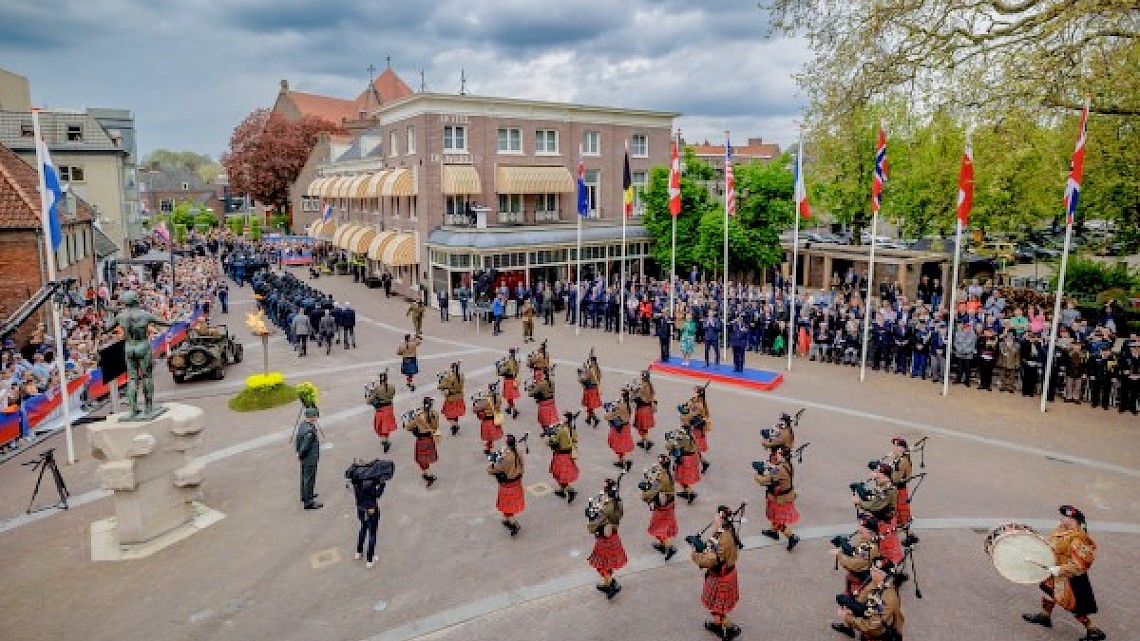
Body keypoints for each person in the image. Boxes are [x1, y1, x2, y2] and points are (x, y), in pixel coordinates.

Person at [1022, 505, 1105, 641]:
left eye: (1064, 517)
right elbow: (1052, 543)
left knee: (1075, 607)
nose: (1061, 519)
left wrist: (1059, 569)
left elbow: (1080, 564)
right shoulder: (1062, 528)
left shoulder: (1079, 538)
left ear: (1072, 519)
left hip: (1070, 578)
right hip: (1055, 573)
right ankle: (1044, 616)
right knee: (1048, 592)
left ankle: (1093, 630)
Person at [691, 505, 742, 641]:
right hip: (728, 573)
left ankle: (727, 628)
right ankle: (719, 624)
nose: (714, 520)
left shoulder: (721, 539)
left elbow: (707, 561)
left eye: (716, 519)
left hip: (720, 577)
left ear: (721, 519)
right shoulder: (729, 530)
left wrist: (695, 551)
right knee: (718, 606)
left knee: (717, 607)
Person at [832, 557, 904, 640]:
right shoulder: (876, 582)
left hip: (877, 632)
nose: (870, 571)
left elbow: (871, 626)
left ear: (882, 574)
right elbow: (863, 595)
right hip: (869, 614)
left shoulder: (887, 599)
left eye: (873, 570)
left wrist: (847, 617)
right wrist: (852, 607)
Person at [586, 477, 627, 599]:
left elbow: (599, 519)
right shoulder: (617, 502)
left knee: (602, 566)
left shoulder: (609, 506)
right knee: (606, 564)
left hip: (606, 539)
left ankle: (611, 586)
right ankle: (608, 582)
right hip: (613, 537)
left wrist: (593, 514)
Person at [754, 445, 800, 551]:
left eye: (779, 454)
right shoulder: (788, 465)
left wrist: (757, 474)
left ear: (783, 457)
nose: (777, 455)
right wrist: (770, 466)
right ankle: (773, 532)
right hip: (787, 495)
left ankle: (791, 536)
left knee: (778, 520)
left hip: (780, 499)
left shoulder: (779, 469)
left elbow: (764, 480)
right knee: (776, 516)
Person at [641, 453, 678, 560]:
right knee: (659, 528)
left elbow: (654, 489)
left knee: (661, 529)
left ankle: (668, 548)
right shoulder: (665, 474)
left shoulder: (662, 478)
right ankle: (663, 545)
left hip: (663, 507)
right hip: (666, 505)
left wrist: (645, 494)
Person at [832, 515, 881, 596]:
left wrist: (839, 555)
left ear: (870, 532)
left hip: (864, 571)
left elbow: (854, 564)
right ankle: (848, 591)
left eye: (862, 528)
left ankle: (853, 595)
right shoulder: (866, 539)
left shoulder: (870, 547)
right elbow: (856, 551)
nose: (859, 529)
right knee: (848, 576)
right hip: (862, 563)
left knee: (849, 576)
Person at [488, 434, 526, 537]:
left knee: (506, 505)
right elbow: (522, 467)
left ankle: (513, 523)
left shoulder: (506, 458)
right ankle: (506, 519)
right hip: (517, 482)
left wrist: (492, 461)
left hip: (507, 484)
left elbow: (493, 469)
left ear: (507, 443)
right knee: (510, 504)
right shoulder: (519, 452)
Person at [351, 466, 386, 569]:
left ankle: (358, 552)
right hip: (371, 510)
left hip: (361, 509)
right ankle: (370, 559)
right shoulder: (369, 484)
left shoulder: (356, 482)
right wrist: (382, 484)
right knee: (372, 534)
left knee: (363, 528)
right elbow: (378, 494)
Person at [886, 437, 917, 547]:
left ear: (901, 448)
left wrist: (883, 474)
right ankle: (910, 536)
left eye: (895, 446)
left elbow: (895, 478)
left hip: (899, 490)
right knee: (899, 516)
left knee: (900, 516)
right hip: (897, 490)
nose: (893, 448)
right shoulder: (898, 458)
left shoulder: (902, 462)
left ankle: (908, 538)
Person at [544, 411, 580, 504]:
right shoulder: (571, 428)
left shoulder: (562, 430)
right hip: (568, 454)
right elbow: (575, 439)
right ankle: (562, 490)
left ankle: (569, 490)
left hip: (561, 455)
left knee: (559, 474)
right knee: (562, 474)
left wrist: (548, 437)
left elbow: (551, 441)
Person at [405, 397, 441, 488]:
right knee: (426, 457)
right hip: (430, 438)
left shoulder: (419, 416)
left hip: (422, 440)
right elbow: (435, 426)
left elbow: (408, 427)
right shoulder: (435, 414)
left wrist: (407, 423)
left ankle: (429, 475)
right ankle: (427, 473)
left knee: (421, 459)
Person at [295, 407, 322, 510]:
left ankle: (305, 496)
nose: (316, 418)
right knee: (309, 479)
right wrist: (300, 454)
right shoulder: (309, 431)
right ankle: (309, 502)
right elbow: (305, 446)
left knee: (304, 478)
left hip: (305, 458)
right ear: (311, 417)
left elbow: (298, 440)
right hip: (310, 458)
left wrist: (298, 453)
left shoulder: (303, 425)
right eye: (315, 416)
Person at [604, 389, 635, 471]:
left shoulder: (620, 406)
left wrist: (608, 411)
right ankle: (622, 460)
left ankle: (623, 462)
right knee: (621, 444)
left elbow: (609, 416)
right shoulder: (629, 404)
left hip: (619, 427)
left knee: (617, 444)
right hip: (626, 426)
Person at [367, 370, 397, 453]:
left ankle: (385, 442)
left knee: (380, 427)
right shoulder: (392, 386)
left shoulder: (377, 389)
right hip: (390, 409)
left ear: (380, 379)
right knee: (386, 426)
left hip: (381, 411)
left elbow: (368, 401)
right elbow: (393, 394)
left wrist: (370, 394)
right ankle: (386, 440)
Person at [673, 423, 701, 503]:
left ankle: (690, 492)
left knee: (682, 477)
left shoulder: (684, 438)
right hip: (692, 458)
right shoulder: (692, 436)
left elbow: (676, 446)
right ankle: (686, 491)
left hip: (685, 459)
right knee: (685, 477)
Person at [473, 382, 504, 454]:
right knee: (491, 435)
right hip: (495, 419)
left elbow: (476, 409)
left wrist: (475, 405)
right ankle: (489, 446)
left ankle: (489, 449)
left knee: (488, 435)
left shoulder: (486, 401)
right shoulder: (499, 398)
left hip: (487, 420)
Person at [632, 369, 658, 450]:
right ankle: (643, 440)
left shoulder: (643, 387)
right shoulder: (649, 384)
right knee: (644, 427)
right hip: (648, 408)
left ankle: (647, 440)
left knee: (640, 427)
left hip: (642, 408)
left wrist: (633, 392)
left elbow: (637, 397)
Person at [439, 361, 466, 436]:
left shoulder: (450, 378)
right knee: (455, 413)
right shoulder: (462, 376)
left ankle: (454, 425)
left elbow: (441, 386)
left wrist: (442, 378)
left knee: (449, 414)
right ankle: (455, 424)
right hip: (459, 397)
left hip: (451, 398)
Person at [529, 366, 559, 432]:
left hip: (544, 404)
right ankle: (551, 431)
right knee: (551, 420)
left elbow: (531, 393)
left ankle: (547, 433)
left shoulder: (541, 384)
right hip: (551, 402)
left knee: (544, 422)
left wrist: (531, 387)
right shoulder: (552, 381)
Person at [578, 352, 602, 428]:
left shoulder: (591, 370)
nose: (589, 362)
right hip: (594, 389)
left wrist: (580, 374)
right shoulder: (596, 368)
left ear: (593, 361)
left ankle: (596, 419)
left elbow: (584, 378)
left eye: (590, 361)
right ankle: (588, 418)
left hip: (590, 389)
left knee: (589, 406)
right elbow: (599, 376)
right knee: (589, 405)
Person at [498, 347, 522, 419]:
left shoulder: (508, 363)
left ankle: (514, 410)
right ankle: (509, 407)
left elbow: (501, 372)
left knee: (509, 396)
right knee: (510, 396)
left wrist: (499, 366)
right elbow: (517, 370)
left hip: (508, 380)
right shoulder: (516, 361)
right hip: (513, 379)